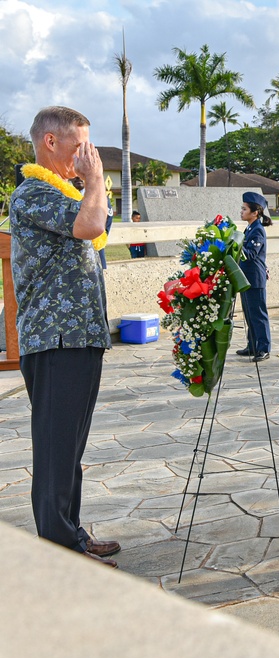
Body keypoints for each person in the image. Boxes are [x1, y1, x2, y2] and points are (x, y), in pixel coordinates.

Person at [9, 106, 120, 567]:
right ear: (50, 143)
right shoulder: (32, 193)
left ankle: (70, 531)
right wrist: (94, 181)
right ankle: (60, 549)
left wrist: (89, 184)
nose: (88, 156)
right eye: (81, 147)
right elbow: (91, 225)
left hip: (78, 337)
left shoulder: (64, 191)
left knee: (70, 446)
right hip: (55, 341)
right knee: (56, 448)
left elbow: (100, 226)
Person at [236, 192, 272, 363]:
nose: (241, 211)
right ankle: (252, 345)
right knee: (249, 314)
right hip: (246, 277)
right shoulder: (250, 227)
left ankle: (263, 348)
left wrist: (232, 245)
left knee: (258, 315)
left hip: (255, 279)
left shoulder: (258, 230)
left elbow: (250, 254)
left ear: (255, 212)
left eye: (244, 209)